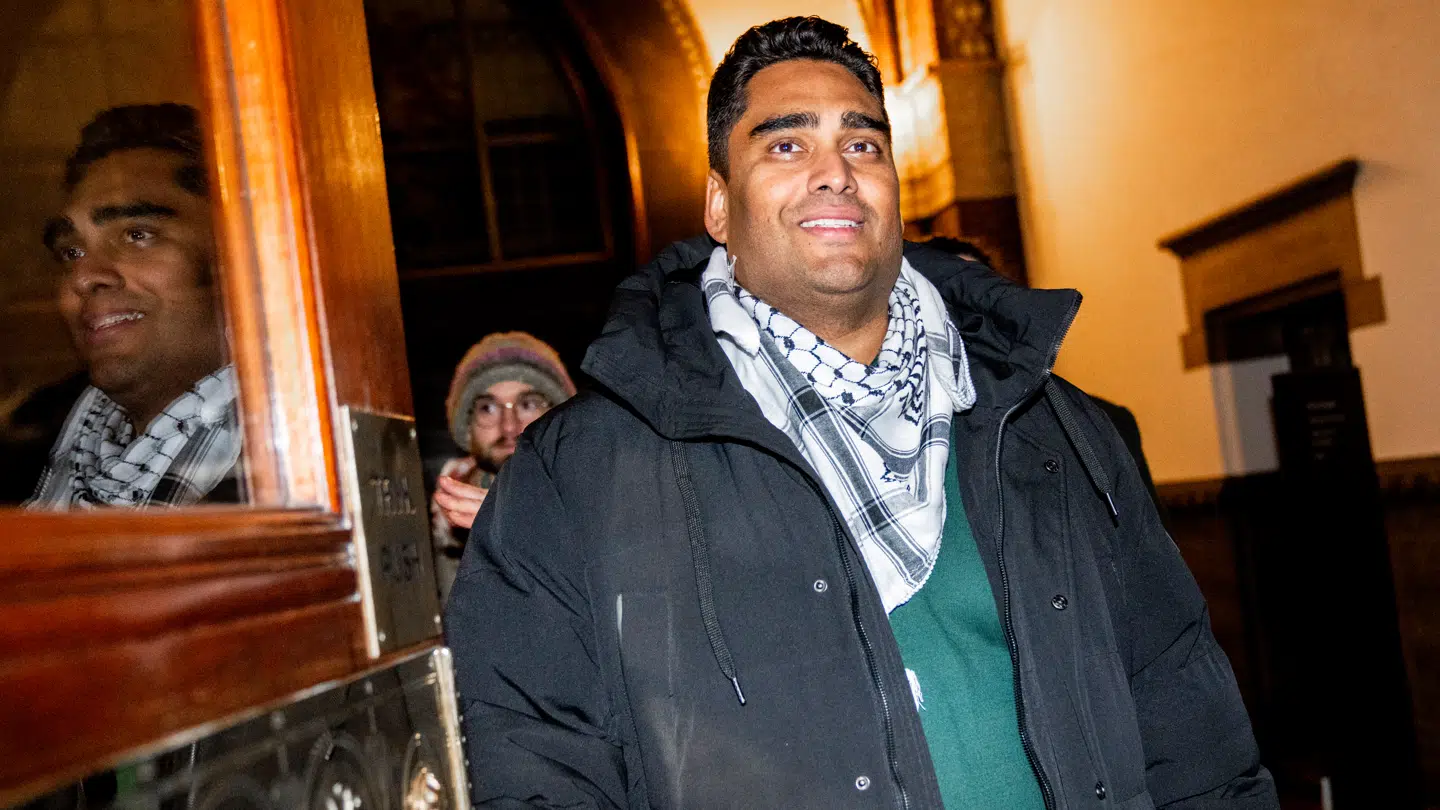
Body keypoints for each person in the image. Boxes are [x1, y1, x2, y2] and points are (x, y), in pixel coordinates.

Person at [446, 17, 1276, 809]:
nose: (835, 171)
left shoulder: (1050, 427)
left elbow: (1185, 714)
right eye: (785, 144)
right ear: (718, 205)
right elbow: (539, 760)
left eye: (862, 143)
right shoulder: (579, 472)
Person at [27, 104, 241, 509]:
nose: (83, 276)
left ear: (239, 255)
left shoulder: (301, 460)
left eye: (137, 235)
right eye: (71, 252)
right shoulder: (35, 443)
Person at [925, 235, 1170, 527]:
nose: (971, 321)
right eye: (952, 302)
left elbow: (1149, 541)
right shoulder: (914, 440)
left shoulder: (1102, 424)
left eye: (981, 295)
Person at [430, 331, 575, 601]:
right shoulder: (436, 525)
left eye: (528, 404)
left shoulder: (608, 499)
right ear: (468, 428)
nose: (509, 427)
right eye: (488, 408)